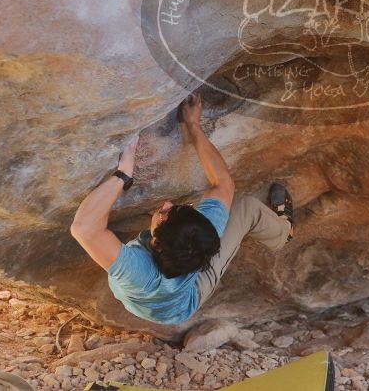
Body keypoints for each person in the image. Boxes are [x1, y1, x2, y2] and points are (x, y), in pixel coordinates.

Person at [70, 93, 295, 325]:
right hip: (189, 293)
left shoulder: (136, 271)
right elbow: (222, 183)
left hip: (175, 301)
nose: (166, 204)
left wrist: (124, 173)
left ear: (156, 243)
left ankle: (283, 235)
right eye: (170, 210)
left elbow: (84, 228)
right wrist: (193, 126)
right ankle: (282, 231)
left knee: (244, 207)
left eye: (165, 213)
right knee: (246, 208)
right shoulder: (202, 236)